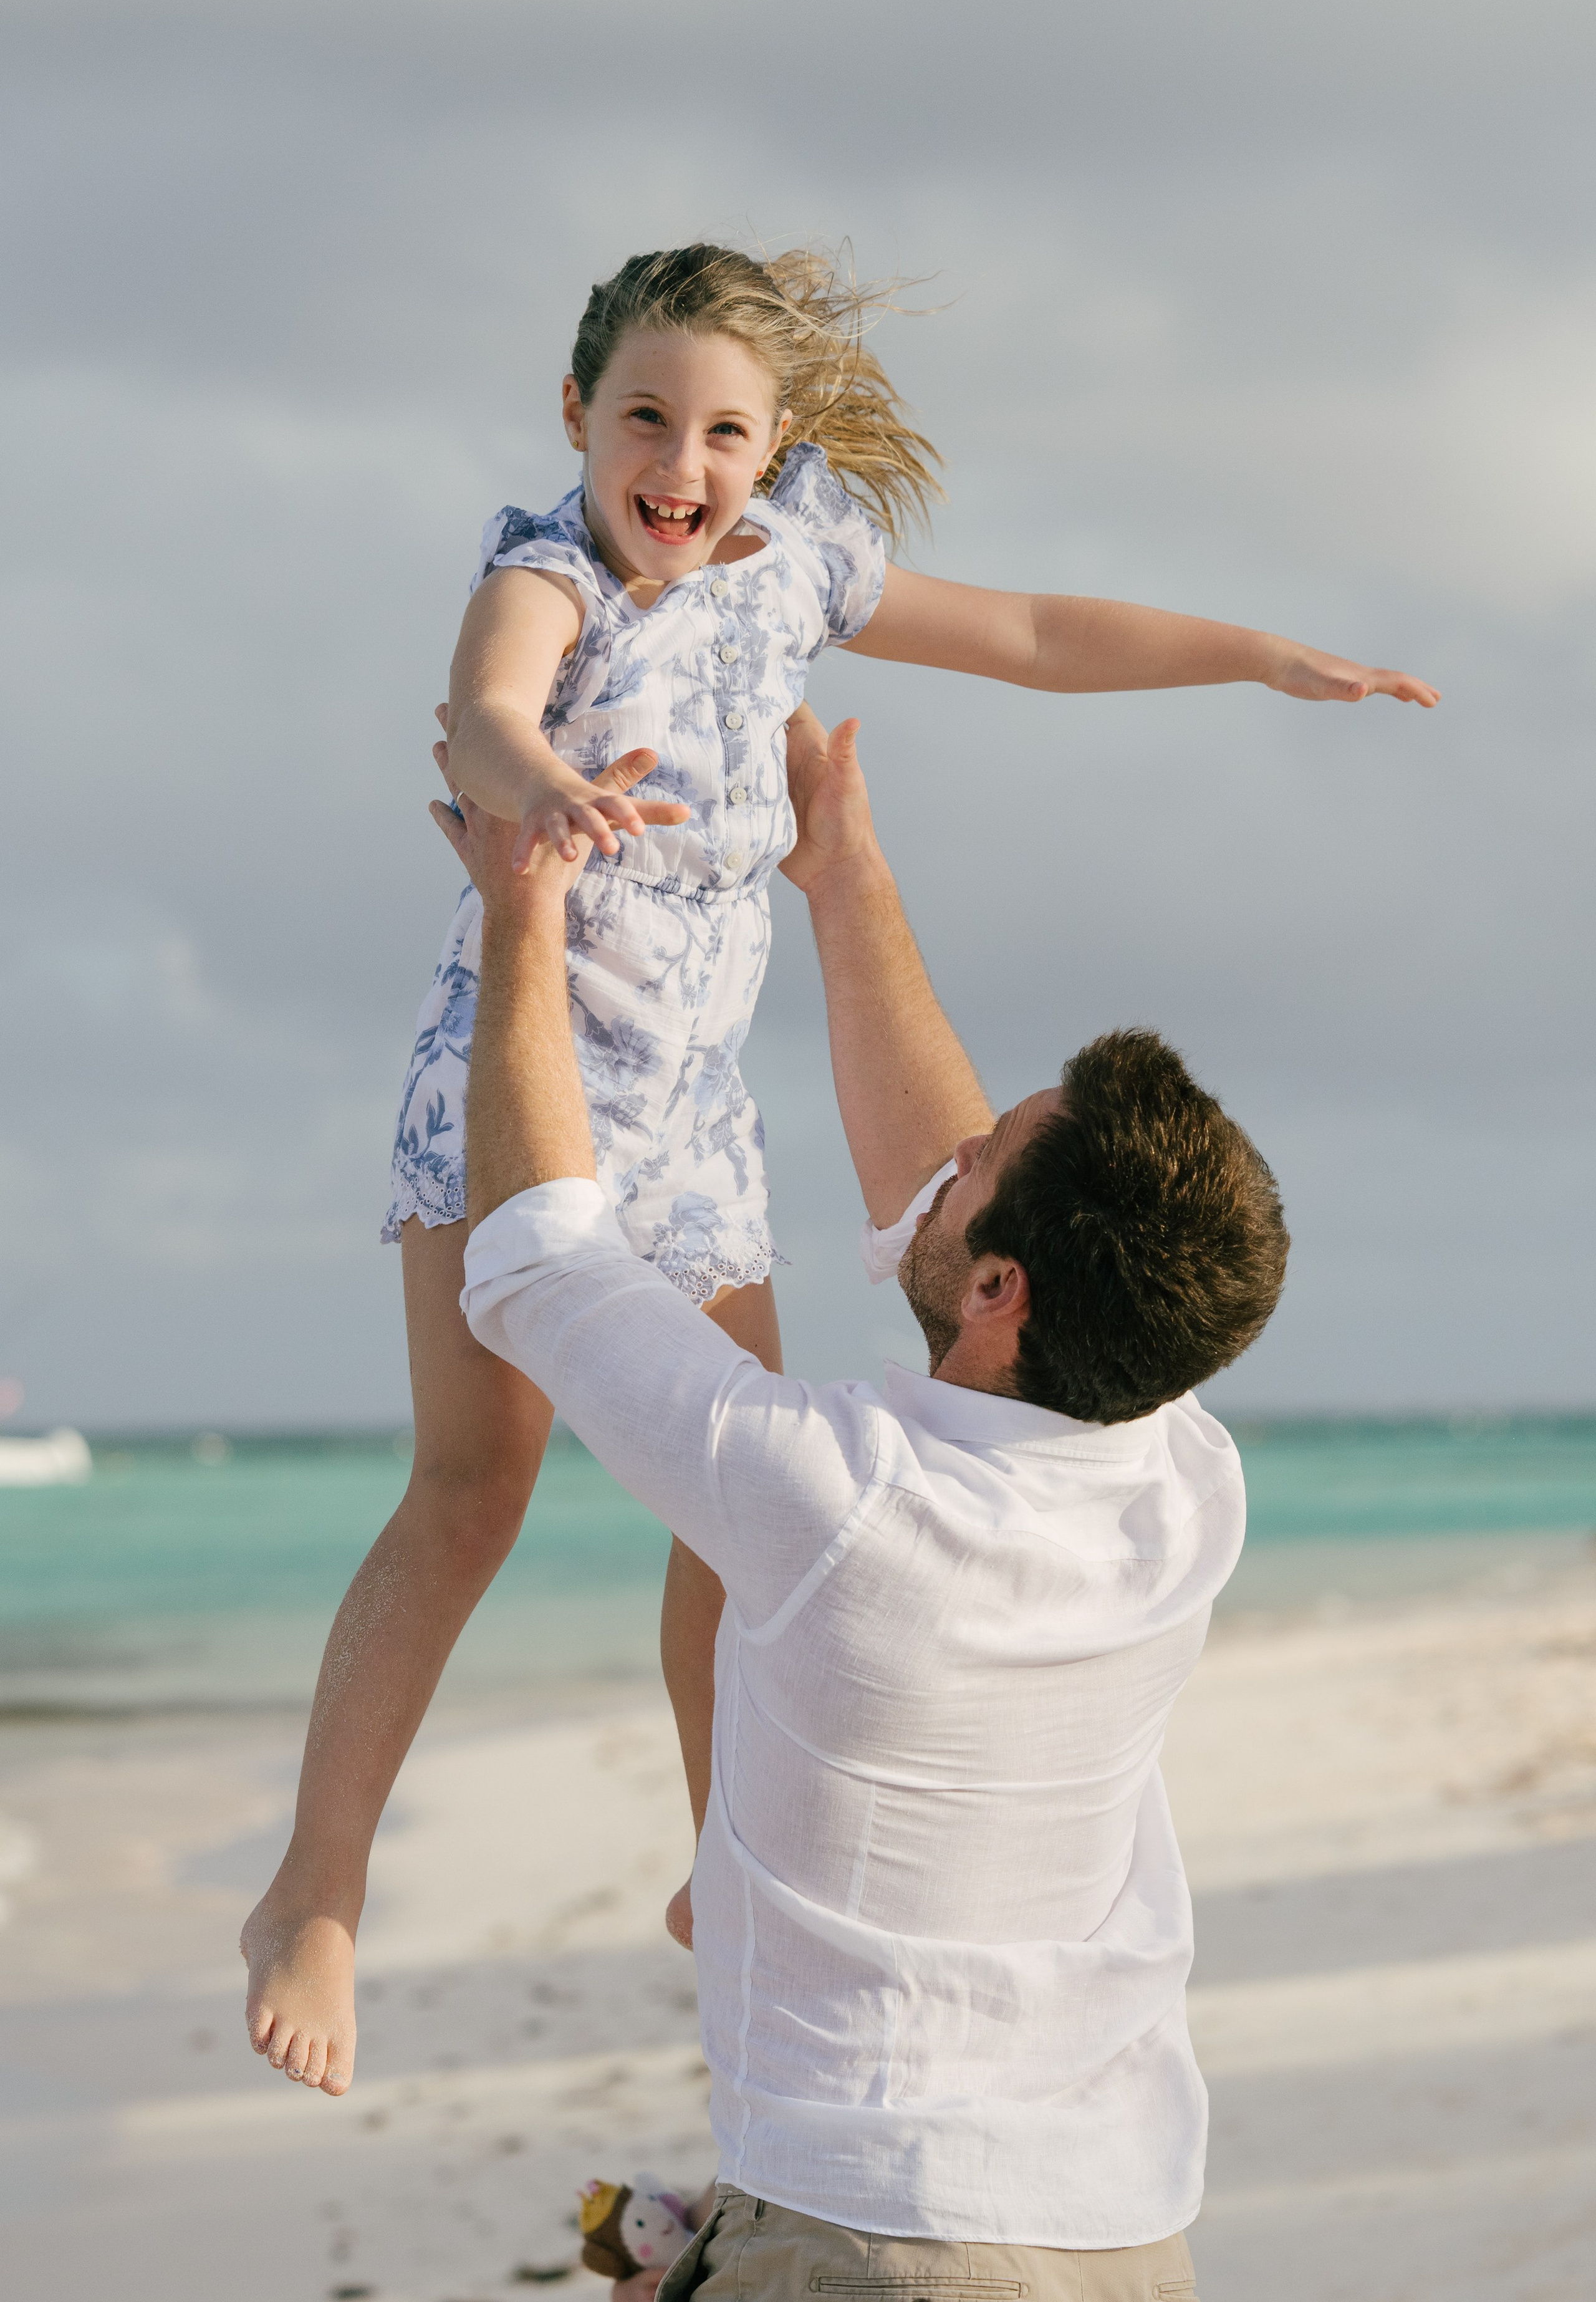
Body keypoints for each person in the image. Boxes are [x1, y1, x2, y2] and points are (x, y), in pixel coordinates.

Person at [243, 238, 1426, 2071]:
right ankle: (317, 1893)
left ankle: (722, 1854)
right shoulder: (549, 577)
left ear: (773, 441)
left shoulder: (799, 560)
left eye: (725, 432)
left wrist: (1254, 656)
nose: (682, 465)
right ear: (575, 414)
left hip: (698, 1114)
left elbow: (1031, 635)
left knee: (734, 1512)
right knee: (474, 1490)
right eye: (645, 418)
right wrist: (542, 792)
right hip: (517, 1070)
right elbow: (482, 714)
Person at [397, 706, 1283, 2295]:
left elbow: (536, 1261)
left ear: (1001, 1289)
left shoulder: (835, 1503)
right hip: (1120, 2238)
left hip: (876, 2242)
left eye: (985, 1156)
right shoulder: (1173, 1473)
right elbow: (935, 1200)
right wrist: (844, 874)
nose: (955, 1151)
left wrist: (523, 912)